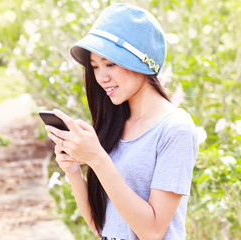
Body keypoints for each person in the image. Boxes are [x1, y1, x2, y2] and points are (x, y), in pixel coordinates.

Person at [45, 3, 198, 240]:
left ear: (141, 62)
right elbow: (101, 227)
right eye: (95, 66)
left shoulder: (175, 128)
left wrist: (97, 158)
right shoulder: (115, 123)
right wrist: (73, 170)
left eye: (110, 64)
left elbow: (153, 231)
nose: (101, 77)